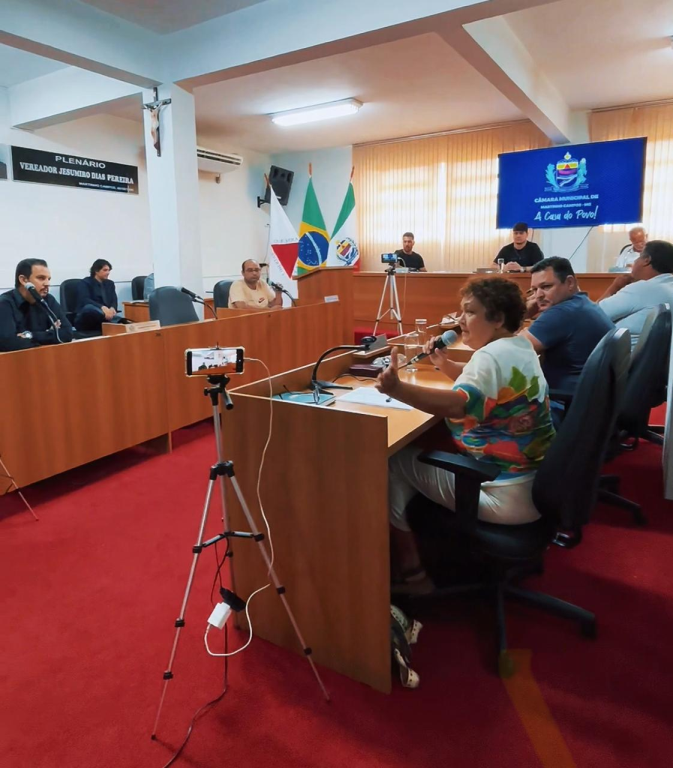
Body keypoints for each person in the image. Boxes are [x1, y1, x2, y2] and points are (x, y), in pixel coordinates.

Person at [376, 277, 555, 594]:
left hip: (502, 492)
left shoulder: (489, 356)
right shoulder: (518, 347)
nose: (459, 321)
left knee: (393, 462)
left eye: (470, 312)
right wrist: (444, 364)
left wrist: (397, 389)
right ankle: (424, 555)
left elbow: (459, 406)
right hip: (537, 486)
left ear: (497, 319)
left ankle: (414, 574)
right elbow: (485, 393)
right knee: (419, 454)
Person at [520, 257, 613, 424]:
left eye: (546, 287)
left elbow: (510, 350)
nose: (538, 295)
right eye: (534, 290)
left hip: (565, 405)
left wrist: (523, 314)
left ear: (570, 283)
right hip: (591, 404)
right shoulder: (582, 304)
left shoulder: (562, 313)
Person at [599, 240, 673, 349]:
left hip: (622, 357)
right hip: (655, 358)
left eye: (638, 257)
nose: (635, 262)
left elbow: (594, 315)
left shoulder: (644, 288)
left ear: (646, 260)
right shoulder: (668, 286)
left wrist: (614, 287)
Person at [0, 258, 73, 352]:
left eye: (48, 279)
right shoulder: (5, 303)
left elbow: (67, 333)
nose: (47, 283)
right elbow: (7, 343)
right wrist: (49, 334)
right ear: (24, 280)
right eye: (41, 278)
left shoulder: (48, 300)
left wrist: (31, 335)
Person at [74, 259, 121, 331]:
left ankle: (113, 320)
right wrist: (102, 308)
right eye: (105, 270)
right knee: (89, 308)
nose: (108, 273)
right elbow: (85, 300)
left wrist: (112, 308)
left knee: (113, 314)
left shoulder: (110, 284)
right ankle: (115, 320)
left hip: (106, 315)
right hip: (87, 317)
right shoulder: (85, 283)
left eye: (109, 270)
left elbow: (114, 299)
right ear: (96, 271)